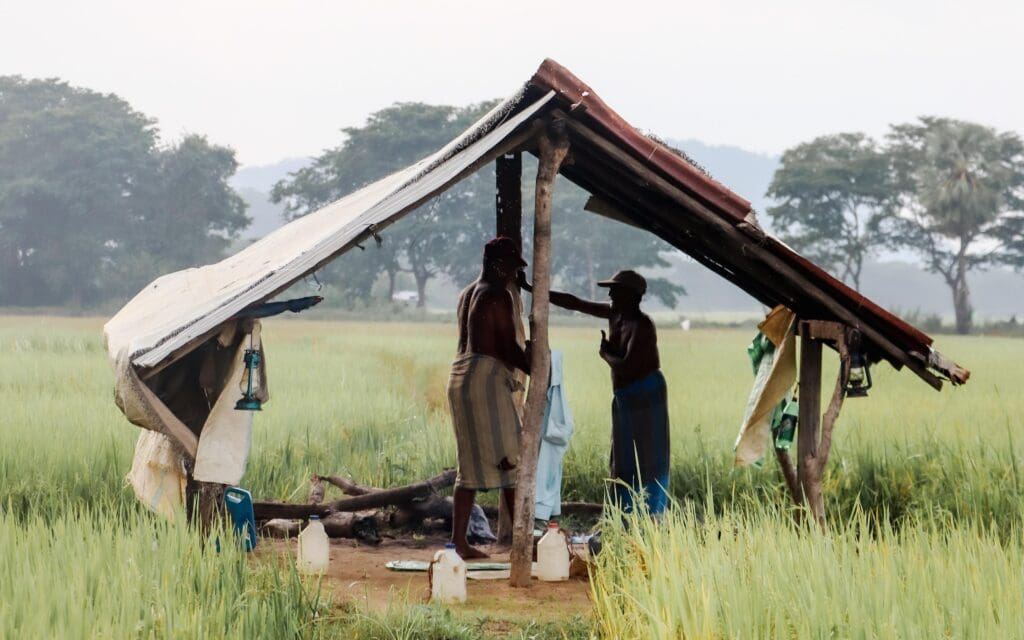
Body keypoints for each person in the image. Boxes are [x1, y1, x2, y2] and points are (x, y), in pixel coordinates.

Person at [519, 269, 670, 515]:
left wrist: (606, 353)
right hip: (625, 396)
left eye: (615, 290)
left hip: (645, 395)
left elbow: (628, 366)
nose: (609, 294)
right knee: (623, 457)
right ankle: (624, 511)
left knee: (647, 457)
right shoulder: (616, 314)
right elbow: (574, 302)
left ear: (631, 296)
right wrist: (532, 290)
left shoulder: (641, 325)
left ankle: (649, 512)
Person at [447, 237, 531, 558]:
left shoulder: (468, 293)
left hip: (460, 379)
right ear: (497, 265)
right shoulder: (498, 296)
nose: (513, 275)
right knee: (510, 460)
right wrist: (535, 365)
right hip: (486, 382)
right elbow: (507, 348)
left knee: (467, 466)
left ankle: (459, 541)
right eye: (511, 268)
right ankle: (522, 542)